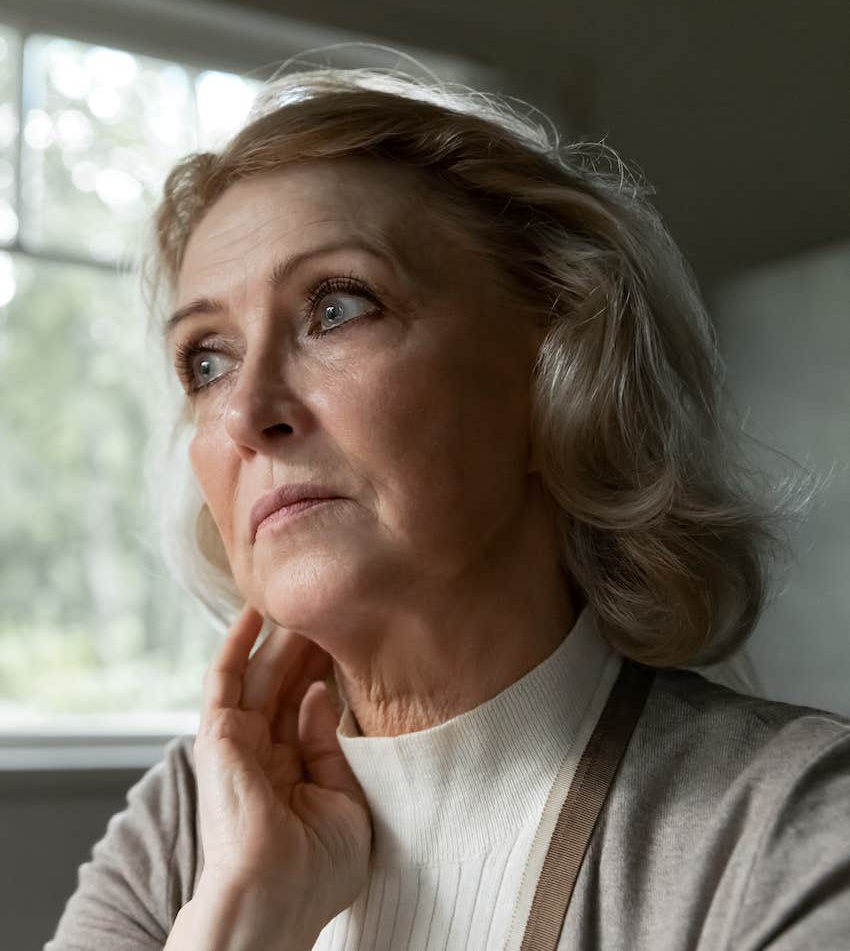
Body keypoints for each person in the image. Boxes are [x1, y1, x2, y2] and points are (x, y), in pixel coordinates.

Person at [46, 63, 850, 951]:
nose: (244, 412)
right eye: (207, 360)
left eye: (337, 307)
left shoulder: (794, 827)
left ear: (558, 374)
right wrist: (237, 924)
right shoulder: (186, 823)